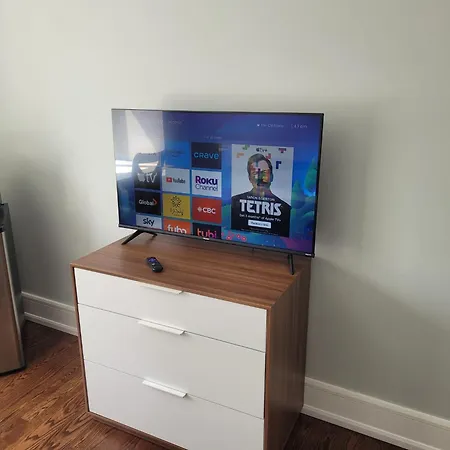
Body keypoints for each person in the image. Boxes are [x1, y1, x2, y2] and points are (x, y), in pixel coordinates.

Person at [231, 153, 291, 237]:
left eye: (264, 173)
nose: (260, 178)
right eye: (255, 173)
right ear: (249, 178)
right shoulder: (234, 203)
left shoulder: (286, 210)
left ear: (271, 176)